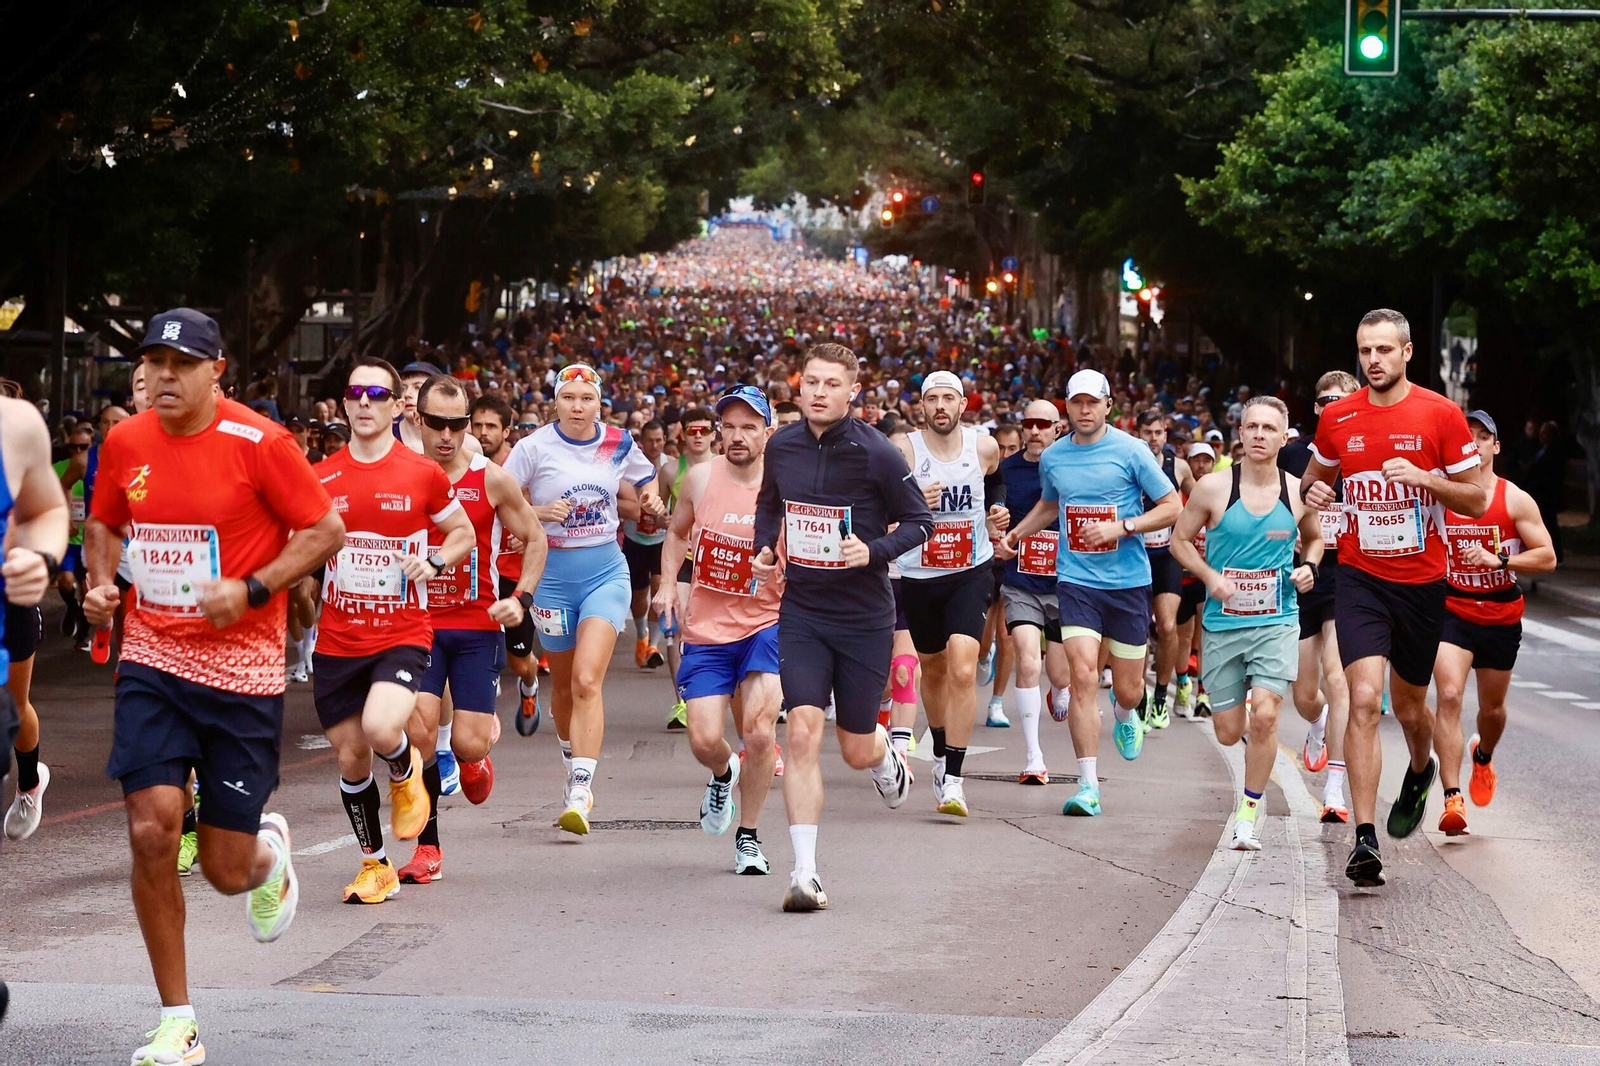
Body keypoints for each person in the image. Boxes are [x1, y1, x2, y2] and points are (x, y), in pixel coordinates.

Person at [81, 309, 343, 1066]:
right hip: (154, 661)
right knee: (153, 826)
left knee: (225, 872)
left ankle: (267, 854)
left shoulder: (260, 442)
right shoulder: (126, 440)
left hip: (243, 674)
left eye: (181, 363)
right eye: (153, 362)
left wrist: (254, 589)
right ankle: (178, 1019)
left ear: (216, 369)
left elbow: (325, 531)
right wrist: (101, 587)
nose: (164, 376)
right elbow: (103, 523)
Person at [1300, 308, 1486, 888]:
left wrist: (1425, 478)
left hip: (1422, 583)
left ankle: (1422, 768)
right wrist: (1317, 494)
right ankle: (1364, 838)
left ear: (1407, 353)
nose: (1373, 361)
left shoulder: (1441, 414)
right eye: (1365, 351)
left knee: (1410, 707)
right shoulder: (1338, 417)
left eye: (1384, 350)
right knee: (1361, 699)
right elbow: (1311, 485)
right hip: (1359, 579)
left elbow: (1477, 501)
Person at [752, 343, 929, 911]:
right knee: (801, 729)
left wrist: (872, 551)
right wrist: (763, 550)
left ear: (854, 391)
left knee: (854, 747)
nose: (820, 392)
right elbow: (768, 505)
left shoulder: (876, 452)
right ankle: (804, 873)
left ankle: (885, 758)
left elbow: (921, 522)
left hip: (863, 617)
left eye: (833, 384)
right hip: (803, 610)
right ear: (799, 388)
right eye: (812, 383)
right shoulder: (781, 444)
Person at [312, 359, 476, 904]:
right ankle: (375, 864)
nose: (364, 402)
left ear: (395, 405)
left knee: (384, 729)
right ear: (344, 403)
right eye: (355, 393)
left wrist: (434, 561)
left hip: (400, 630)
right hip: (337, 638)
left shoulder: (420, 472)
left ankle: (406, 773)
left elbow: (462, 533)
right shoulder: (322, 476)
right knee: (350, 756)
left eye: (376, 394)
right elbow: (297, 540)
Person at [1002, 370, 1181, 818]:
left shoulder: (1132, 451)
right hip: (1076, 580)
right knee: (1082, 677)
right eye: (1076, 403)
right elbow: (1049, 504)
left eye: (1092, 403)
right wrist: (1016, 537)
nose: (1084, 411)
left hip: (1127, 584)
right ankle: (1087, 785)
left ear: (1107, 406)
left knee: (1129, 689)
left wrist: (1121, 527)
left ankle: (1126, 714)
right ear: (1067, 407)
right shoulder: (1055, 457)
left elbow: (1172, 505)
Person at [503, 363, 666, 835]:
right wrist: (537, 512)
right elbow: (501, 502)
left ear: (600, 403)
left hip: (605, 571)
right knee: (566, 683)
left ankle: (580, 787)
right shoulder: (533, 448)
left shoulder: (617, 441)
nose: (578, 406)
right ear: (556, 401)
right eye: (569, 397)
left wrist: (651, 500)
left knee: (589, 680)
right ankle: (570, 754)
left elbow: (646, 479)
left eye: (587, 398)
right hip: (551, 579)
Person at [399, 376, 547, 883]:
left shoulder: (491, 478)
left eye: (457, 424)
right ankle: (428, 848)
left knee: (466, 743)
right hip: (416, 625)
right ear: (417, 419)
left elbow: (535, 538)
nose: (447, 435)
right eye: (436, 423)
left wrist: (519, 599)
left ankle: (475, 757)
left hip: (475, 625)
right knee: (418, 732)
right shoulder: (401, 475)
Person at [1171, 396, 1322, 851]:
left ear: (1283, 436)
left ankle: (1249, 813)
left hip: (1278, 620)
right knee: (1228, 730)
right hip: (1224, 624)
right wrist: (1209, 575)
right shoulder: (1214, 488)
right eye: (1251, 426)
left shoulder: (1298, 491)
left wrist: (1309, 568)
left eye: (1268, 428)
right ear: (1240, 433)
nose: (1258, 434)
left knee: (1267, 716)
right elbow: (1179, 541)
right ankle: (1248, 793)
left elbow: (1315, 540)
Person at [654, 385, 784, 873]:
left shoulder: (786, 488)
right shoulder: (700, 479)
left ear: (767, 434)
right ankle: (722, 772)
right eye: (727, 426)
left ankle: (748, 836)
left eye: (749, 427)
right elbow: (677, 532)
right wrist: (668, 584)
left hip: (767, 624)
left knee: (758, 729)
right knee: (706, 739)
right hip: (708, 629)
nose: (736, 436)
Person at [1432, 410, 1555, 836]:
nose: (1475, 444)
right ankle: (1451, 798)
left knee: (1492, 710)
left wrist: (1500, 558)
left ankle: (1482, 756)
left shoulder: (1514, 498)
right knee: (1447, 695)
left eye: (1483, 437)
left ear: (1495, 447)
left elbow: (1548, 557)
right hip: (1453, 609)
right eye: (1468, 438)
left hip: (1501, 614)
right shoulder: (1442, 496)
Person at [891, 371, 1008, 818]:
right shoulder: (904, 451)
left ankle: (954, 781)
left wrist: (998, 509)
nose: (941, 406)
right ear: (921, 407)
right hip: (919, 575)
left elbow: (995, 480)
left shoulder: (983, 446)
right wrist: (913, 500)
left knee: (962, 664)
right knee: (934, 670)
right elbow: (880, 500)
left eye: (949, 399)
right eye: (932, 399)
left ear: (963, 406)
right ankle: (940, 748)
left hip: (970, 570)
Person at [1279, 371, 1358, 822]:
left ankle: (1334, 789)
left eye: (1342, 399)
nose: (1333, 406)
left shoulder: (1368, 451)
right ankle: (1317, 725)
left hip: (1350, 577)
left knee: (1338, 678)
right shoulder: (1292, 455)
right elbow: (1270, 510)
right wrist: (1285, 537)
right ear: (1315, 407)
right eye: (1325, 399)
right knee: (1307, 694)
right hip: (1302, 576)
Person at [0, 385, 71, 846]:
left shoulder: (15, 423)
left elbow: (46, 509)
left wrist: (40, 557)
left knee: (15, 704)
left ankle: (29, 782)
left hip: (7, 606)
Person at [992, 400, 1075, 783]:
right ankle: (1033, 757)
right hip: (1020, 581)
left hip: (1065, 583)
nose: (1036, 431)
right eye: (1030, 424)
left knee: (1059, 675)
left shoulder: (1074, 464)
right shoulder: (1006, 470)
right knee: (1028, 659)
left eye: (1044, 424)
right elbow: (992, 515)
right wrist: (998, 531)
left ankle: (1060, 692)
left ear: (1058, 427)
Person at [472, 394, 545, 733]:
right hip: (477, 574)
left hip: (515, 576)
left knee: (520, 661)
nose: (483, 432)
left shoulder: (521, 465)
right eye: (477, 425)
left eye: (491, 426)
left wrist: (522, 529)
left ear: (507, 430)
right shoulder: (464, 463)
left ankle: (529, 687)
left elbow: (539, 512)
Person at [1136, 408, 1195, 729]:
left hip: (1167, 554)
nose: (1154, 439)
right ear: (1138, 434)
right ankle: (1141, 698)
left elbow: (1201, 501)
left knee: (1168, 627)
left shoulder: (1179, 466)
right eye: (1148, 433)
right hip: (1134, 556)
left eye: (1159, 433)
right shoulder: (1129, 461)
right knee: (1140, 630)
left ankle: (1160, 696)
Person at [662, 405, 717, 729]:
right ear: (682, 434)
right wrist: (659, 515)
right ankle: (683, 700)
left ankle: (714, 695)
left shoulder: (725, 467)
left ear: (714, 433)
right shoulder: (671, 471)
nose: (698, 437)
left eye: (704, 431)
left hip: (718, 562)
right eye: (692, 431)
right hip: (684, 559)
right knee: (676, 625)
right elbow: (654, 516)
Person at [624, 419, 670, 671]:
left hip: (662, 541)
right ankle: (641, 636)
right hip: (635, 540)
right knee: (640, 595)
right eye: (650, 440)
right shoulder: (633, 467)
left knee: (659, 594)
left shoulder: (669, 467)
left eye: (659, 440)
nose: (655, 445)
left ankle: (654, 645)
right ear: (642, 442)